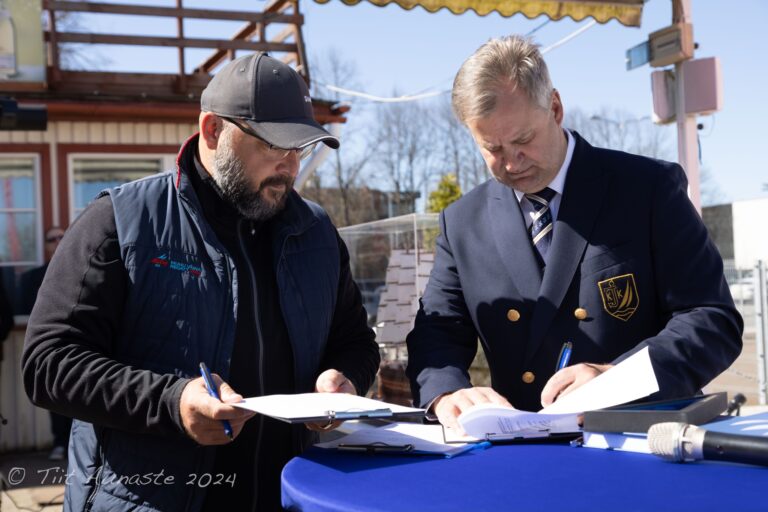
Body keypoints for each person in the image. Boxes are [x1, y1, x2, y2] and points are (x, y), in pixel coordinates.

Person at [22, 52, 380, 511]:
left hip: (291, 496)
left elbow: (355, 341)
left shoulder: (317, 233)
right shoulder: (120, 221)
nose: (290, 167)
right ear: (213, 131)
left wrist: (346, 379)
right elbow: (48, 363)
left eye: (301, 149)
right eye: (274, 146)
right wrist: (172, 402)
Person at [405, 35, 743, 431]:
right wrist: (447, 393)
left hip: (637, 440)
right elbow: (438, 330)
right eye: (491, 148)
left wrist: (615, 378)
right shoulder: (462, 222)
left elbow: (711, 318)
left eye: (523, 140)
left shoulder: (646, 188)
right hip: (521, 453)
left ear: (555, 107)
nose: (511, 163)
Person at [19, 226, 72, 460]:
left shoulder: (85, 270)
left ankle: (80, 446)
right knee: (56, 395)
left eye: (63, 236)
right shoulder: (33, 278)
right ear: (46, 245)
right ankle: (60, 443)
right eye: (53, 238)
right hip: (51, 347)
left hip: (86, 345)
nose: (58, 241)